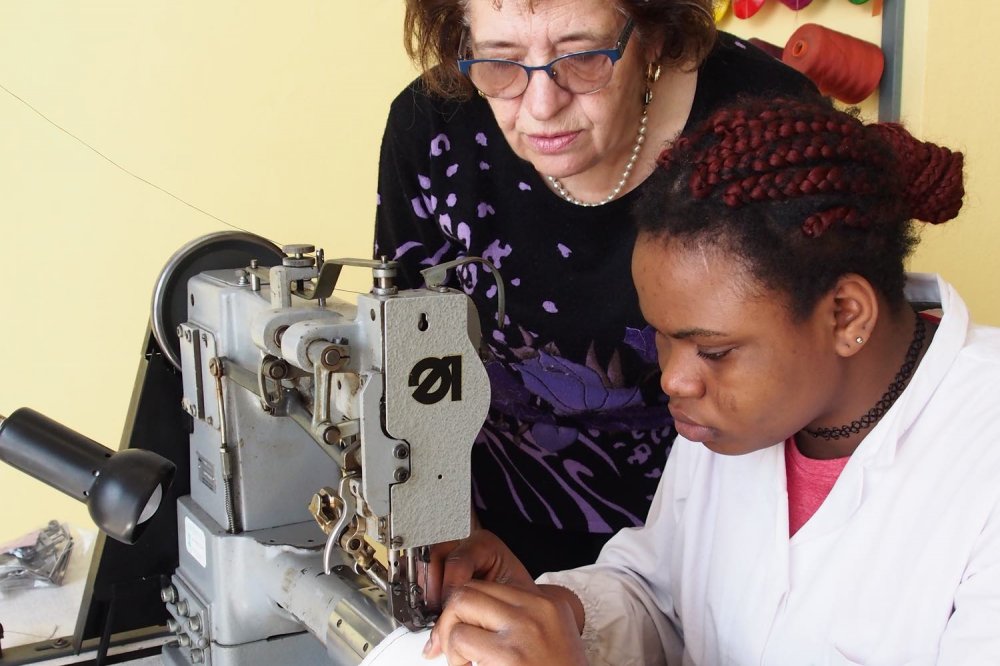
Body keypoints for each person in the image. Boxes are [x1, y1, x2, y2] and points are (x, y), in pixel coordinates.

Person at [420, 95, 1000, 664]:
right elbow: (664, 594)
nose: (673, 380)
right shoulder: (734, 414)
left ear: (845, 315)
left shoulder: (980, 460)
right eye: (663, 337)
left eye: (714, 350)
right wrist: (556, 612)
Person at [375, 0, 816, 576]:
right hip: (495, 525)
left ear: (655, 35)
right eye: (499, 62)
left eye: (582, 57)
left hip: (720, 527)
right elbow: (412, 351)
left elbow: (811, 357)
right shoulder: (431, 126)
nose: (541, 105)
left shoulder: (762, 123)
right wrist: (446, 530)